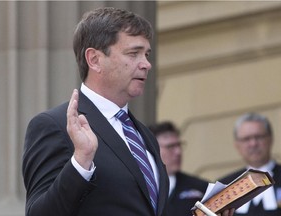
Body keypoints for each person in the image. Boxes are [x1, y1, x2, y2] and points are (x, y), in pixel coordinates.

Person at [22, 7, 234, 216]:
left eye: (147, 54)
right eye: (133, 54)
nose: (147, 64)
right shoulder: (55, 125)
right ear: (94, 60)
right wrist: (81, 161)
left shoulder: (144, 135)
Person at [218, 112, 281, 216]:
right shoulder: (225, 186)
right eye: (246, 139)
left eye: (259, 137)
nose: (253, 144)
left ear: (270, 138)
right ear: (237, 145)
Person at [149, 121, 209, 216]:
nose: (178, 152)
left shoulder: (201, 188)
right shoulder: (138, 187)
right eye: (170, 146)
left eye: (179, 145)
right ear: (152, 149)